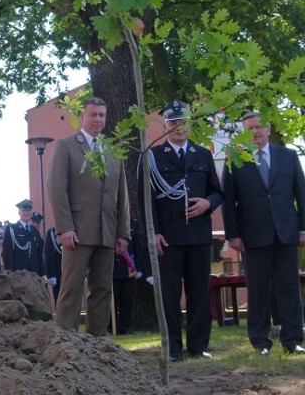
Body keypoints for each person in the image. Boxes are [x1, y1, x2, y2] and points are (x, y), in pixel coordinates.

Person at [139, 100, 222, 362]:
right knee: (170, 295)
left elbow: (217, 192)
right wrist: (154, 232)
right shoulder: (152, 156)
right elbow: (146, 199)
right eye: (173, 122)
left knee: (199, 292)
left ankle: (198, 346)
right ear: (165, 125)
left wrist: (208, 203)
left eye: (182, 122)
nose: (178, 127)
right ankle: (173, 347)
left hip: (198, 234)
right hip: (169, 237)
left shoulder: (203, 154)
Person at [221, 111, 305, 356]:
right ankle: (260, 342)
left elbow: (301, 195)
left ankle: (293, 340)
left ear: (268, 129)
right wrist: (232, 234)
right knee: (257, 290)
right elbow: (229, 201)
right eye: (249, 129)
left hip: (286, 233)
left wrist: (303, 228)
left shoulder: (288, 157)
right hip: (253, 236)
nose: (255, 132)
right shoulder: (235, 159)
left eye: (259, 127)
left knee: (289, 287)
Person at [46, 97, 130, 336]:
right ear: (82, 117)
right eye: (93, 115)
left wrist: (123, 232)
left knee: (102, 289)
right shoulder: (67, 146)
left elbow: (121, 195)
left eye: (102, 115)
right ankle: (65, 344)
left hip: (107, 231)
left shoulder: (113, 150)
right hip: (77, 231)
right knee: (71, 288)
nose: (98, 120)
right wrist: (65, 228)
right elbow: (56, 189)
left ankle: (97, 345)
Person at [2, 200, 45, 276]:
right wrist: (10, 274)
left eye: (28, 211)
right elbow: (7, 254)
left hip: (34, 274)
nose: (26, 213)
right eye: (24, 211)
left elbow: (39, 256)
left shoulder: (35, 231)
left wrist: (43, 274)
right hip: (19, 274)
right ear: (19, 213)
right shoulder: (12, 229)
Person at [42, 223, 62, 304]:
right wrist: (51, 275)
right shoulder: (51, 233)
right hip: (58, 274)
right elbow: (48, 255)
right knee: (59, 299)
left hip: (72, 273)